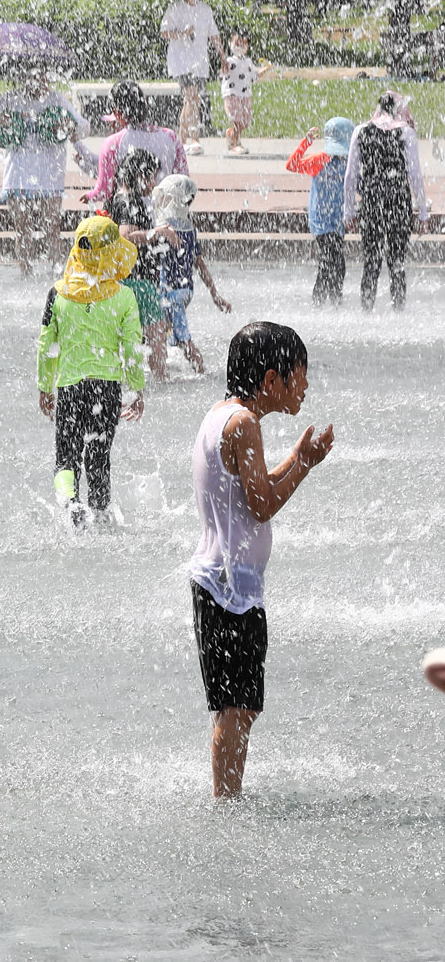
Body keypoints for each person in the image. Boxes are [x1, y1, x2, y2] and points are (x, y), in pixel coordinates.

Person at [189, 321, 334, 798]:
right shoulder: (245, 424)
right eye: (300, 374)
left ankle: (227, 797)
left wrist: (297, 456)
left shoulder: (221, 416)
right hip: (230, 590)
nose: (305, 385)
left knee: (239, 705)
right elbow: (262, 504)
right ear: (271, 379)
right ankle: (227, 803)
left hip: (219, 582)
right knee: (237, 706)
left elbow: (252, 487)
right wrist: (305, 466)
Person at [35, 215, 145, 528]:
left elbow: (46, 346)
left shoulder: (58, 294)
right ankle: (102, 517)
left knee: (66, 457)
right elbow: (132, 348)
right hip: (107, 389)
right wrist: (137, 390)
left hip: (70, 387)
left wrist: (45, 387)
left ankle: (71, 505)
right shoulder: (123, 296)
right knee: (98, 457)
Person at [0, 67, 92, 276]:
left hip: (50, 176)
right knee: (22, 231)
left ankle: (58, 273)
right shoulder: (9, 100)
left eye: (42, 77)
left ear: (47, 77)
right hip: (18, 176)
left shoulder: (57, 100)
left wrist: (69, 125)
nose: (37, 82)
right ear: (24, 77)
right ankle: (25, 273)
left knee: (52, 229)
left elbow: (84, 127)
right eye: (32, 77)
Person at [342, 92, 428, 311]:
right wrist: (422, 212)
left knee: (371, 261)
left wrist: (348, 211)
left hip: (371, 201)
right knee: (397, 262)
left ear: (379, 108)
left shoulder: (360, 131)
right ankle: (398, 311)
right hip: (399, 201)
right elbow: (415, 175)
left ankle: (366, 311)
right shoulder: (406, 133)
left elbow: (350, 175)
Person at [105, 150, 176, 381]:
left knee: (125, 337)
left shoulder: (116, 197)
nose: (153, 183)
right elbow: (125, 236)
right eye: (151, 177)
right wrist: (159, 232)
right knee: (157, 335)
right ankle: (162, 379)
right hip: (138, 282)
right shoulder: (128, 201)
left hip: (122, 281)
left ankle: (125, 378)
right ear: (139, 175)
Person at [151, 174, 232, 374]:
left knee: (181, 338)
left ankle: (201, 372)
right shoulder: (189, 229)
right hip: (185, 291)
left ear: (173, 198)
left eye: (165, 196)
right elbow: (200, 265)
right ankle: (162, 370)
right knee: (161, 332)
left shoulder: (165, 228)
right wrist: (215, 295)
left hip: (170, 292)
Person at [84, 80, 189, 205]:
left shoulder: (112, 143)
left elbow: (104, 191)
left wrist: (89, 196)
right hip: (164, 212)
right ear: (144, 104)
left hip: (128, 213)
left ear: (117, 112)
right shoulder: (171, 137)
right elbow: (184, 181)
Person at [285, 117, 354, 306]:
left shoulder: (349, 162)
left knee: (335, 264)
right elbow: (292, 165)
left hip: (338, 221)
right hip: (321, 221)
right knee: (332, 261)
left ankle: (332, 301)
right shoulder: (320, 160)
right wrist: (305, 143)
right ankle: (323, 302)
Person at [160, 0, 223, 155]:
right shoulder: (175, 9)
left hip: (199, 61)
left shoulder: (205, 10)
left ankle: (181, 140)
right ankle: (193, 139)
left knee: (192, 98)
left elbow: (214, 35)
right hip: (181, 61)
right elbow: (164, 32)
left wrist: (223, 58)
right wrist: (182, 33)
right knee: (192, 95)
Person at [218, 33, 266, 157]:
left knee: (245, 122)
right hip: (232, 93)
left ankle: (232, 135)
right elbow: (224, 71)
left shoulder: (248, 62)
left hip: (245, 95)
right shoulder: (229, 61)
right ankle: (235, 144)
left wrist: (266, 69)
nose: (240, 46)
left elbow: (254, 76)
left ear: (247, 47)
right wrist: (223, 65)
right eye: (237, 43)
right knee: (237, 120)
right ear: (231, 44)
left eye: (243, 43)